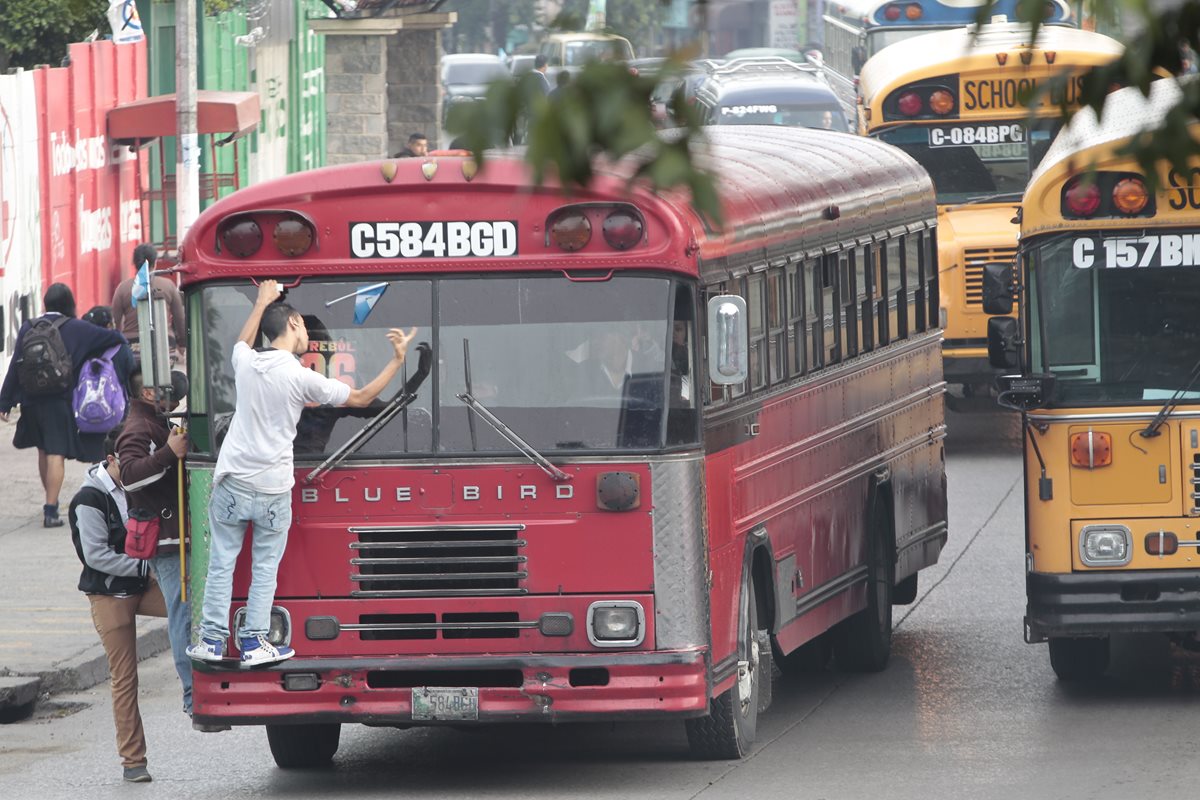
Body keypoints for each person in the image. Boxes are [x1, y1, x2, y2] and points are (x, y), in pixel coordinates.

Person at [187, 280, 418, 666]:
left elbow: (240, 344)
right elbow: (361, 399)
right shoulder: (300, 377)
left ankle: (211, 642)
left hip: (232, 481)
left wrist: (261, 301)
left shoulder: (246, 363)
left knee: (222, 564)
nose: (308, 339)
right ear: (293, 323)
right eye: (305, 330)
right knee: (264, 569)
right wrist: (396, 360)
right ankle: (255, 643)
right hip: (273, 488)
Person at [68, 427, 164, 783]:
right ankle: (133, 761)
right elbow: (96, 557)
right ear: (111, 460)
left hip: (146, 582)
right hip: (110, 592)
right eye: (130, 462)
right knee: (125, 678)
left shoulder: (141, 484)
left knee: (191, 610)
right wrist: (147, 568)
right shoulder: (88, 500)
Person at [0, 283, 130, 526]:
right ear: (70, 303)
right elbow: (117, 338)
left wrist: (5, 401)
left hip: (30, 401)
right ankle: (51, 510)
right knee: (55, 453)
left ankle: (51, 499)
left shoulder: (29, 326)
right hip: (58, 402)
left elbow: (15, 365)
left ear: (45, 303)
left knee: (43, 450)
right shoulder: (78, 328)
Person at [116, 366, 192, 717]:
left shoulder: (155, 423)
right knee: (182, 611)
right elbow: (129, 477)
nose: (174, 402)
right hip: (164, 540)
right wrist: (169, 453)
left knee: (188, 610)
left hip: (178, 535)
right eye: (170, 396)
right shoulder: (138, 428)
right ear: (149, 393)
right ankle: (192, 690)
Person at [110, 244, 187, 368]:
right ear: (155, 262)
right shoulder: (168, 286)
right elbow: (180, 319)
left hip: (132, 351)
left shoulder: (122, 289)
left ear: (134, 264)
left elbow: (115, 322)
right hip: (164, 348)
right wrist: (182, 344)